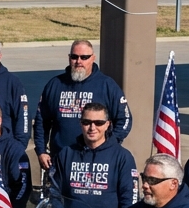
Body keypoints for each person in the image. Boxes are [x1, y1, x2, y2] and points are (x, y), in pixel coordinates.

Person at [33, 40, 132, 172]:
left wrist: (108, 146)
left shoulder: (107, 85)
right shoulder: (55, 84)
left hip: (96, 162)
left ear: (93, 58)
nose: (78, 61)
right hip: (60, 161)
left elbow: (124, 119)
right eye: (74, 57)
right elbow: (41, 121)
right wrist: (41, 151)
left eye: (84, 57)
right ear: (69, 58)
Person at [49, 103, 137, 208]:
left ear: (107, 124)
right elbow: (54, 194)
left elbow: (129, 202)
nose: (92, 127)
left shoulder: (123, 157)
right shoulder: (66, 154)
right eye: (86, 122)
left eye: (98, 123)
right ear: (80, 123)